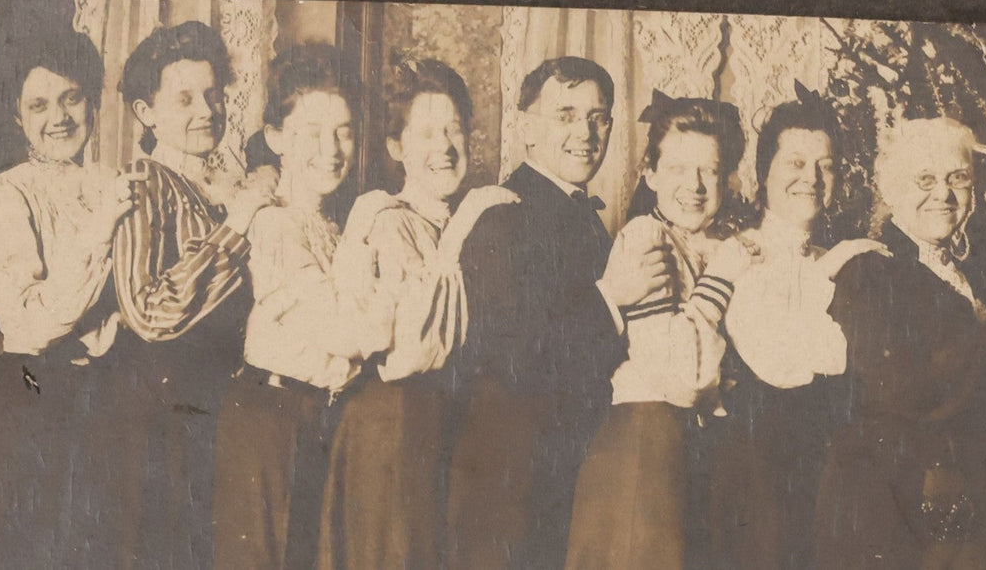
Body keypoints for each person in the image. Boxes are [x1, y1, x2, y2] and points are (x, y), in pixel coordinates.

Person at [445, 56, 670, 569]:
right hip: (512, 476)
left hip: (565, 465)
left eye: (598, 117)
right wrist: (611, 298)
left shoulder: (584, 218)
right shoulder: (502, 211)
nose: (585, 133)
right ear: (526, 127)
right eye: (565, 115)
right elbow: (517, 357)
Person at [813, 118, 986, 569]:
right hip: (892, 506)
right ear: (890, 192)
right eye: (924, 180)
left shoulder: (966, 271)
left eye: (958, 178)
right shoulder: (872, 270)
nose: (944, 194)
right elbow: (903, 389)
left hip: (952, 495)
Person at [316, 58, 517, 570]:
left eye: (453, 129)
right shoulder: (386, 220)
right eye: (426, 133)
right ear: (397, 147)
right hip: (392, 427)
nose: (445, 148)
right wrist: (469, 218)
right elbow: (412, 348)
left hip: (434, 427)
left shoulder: (453, 221)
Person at [209, 43, 393, 569]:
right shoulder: (273, 224)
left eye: (343, 130)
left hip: (316, 420)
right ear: (277, 139)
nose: (331, 148)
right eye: (311, 131)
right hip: (269, 423)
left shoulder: (331, 230)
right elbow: (343, 334)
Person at [0, 29, 139, 569]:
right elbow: (33, 321)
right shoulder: (0, 193)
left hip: (112, 394)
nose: (58, 117)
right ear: (18, 118)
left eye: (71, 97)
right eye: (38, 105)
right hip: (33, 397)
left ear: (92, 98)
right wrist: (103, 228)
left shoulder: (114, 182)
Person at [564, 90, 756, 570]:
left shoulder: (723, 244)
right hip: (644, 446)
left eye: (709, 170)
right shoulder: (645, 240)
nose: (693, 185)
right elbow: (683, 379)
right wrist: (719, 282)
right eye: (676, 169)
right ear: (650, 175)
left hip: (694, 448)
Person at [110, 20, 273, 567]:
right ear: (146, 113)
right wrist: (240, 224)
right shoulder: (143, 182)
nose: (206, 109)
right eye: (184, 98)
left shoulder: (224, 188)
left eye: (213, 94)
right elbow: (148, 312)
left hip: (223, 411)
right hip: (165, 419)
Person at [711, 82, 888, 569]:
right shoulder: (739, 253)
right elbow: (790, 361)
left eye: (824, 165)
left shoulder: (837, 258)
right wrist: (834, 267)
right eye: (794, 163)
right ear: (761, 174)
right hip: (763, 476)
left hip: (828, 471)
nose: (811, 177)